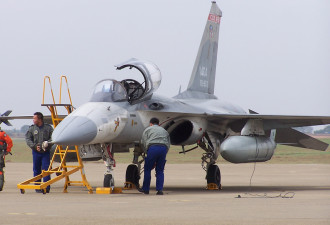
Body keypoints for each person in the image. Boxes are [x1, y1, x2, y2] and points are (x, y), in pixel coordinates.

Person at [139, 117, 170, 195]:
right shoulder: (164, 131)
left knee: (147, 169)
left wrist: (147, 152)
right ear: (158, 124)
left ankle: (146, 189)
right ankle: (159, 190)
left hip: (152, 148)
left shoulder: (148, 129)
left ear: (150, 124)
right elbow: (168, 143)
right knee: (160, 170)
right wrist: (165, 152)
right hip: (163, 149)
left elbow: (143, 142)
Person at [25, 112, 53, 193]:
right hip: (36, 152)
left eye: (34, 118)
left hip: (45, 152)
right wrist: (34, 146)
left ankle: (46, 187)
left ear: (39, 119)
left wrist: (47, 144)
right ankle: (37, 188)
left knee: (46, 170)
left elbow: (53, 137)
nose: (33, 120)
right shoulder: (32, 128)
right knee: (36, 170)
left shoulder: (48, 128)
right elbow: (28, 139)